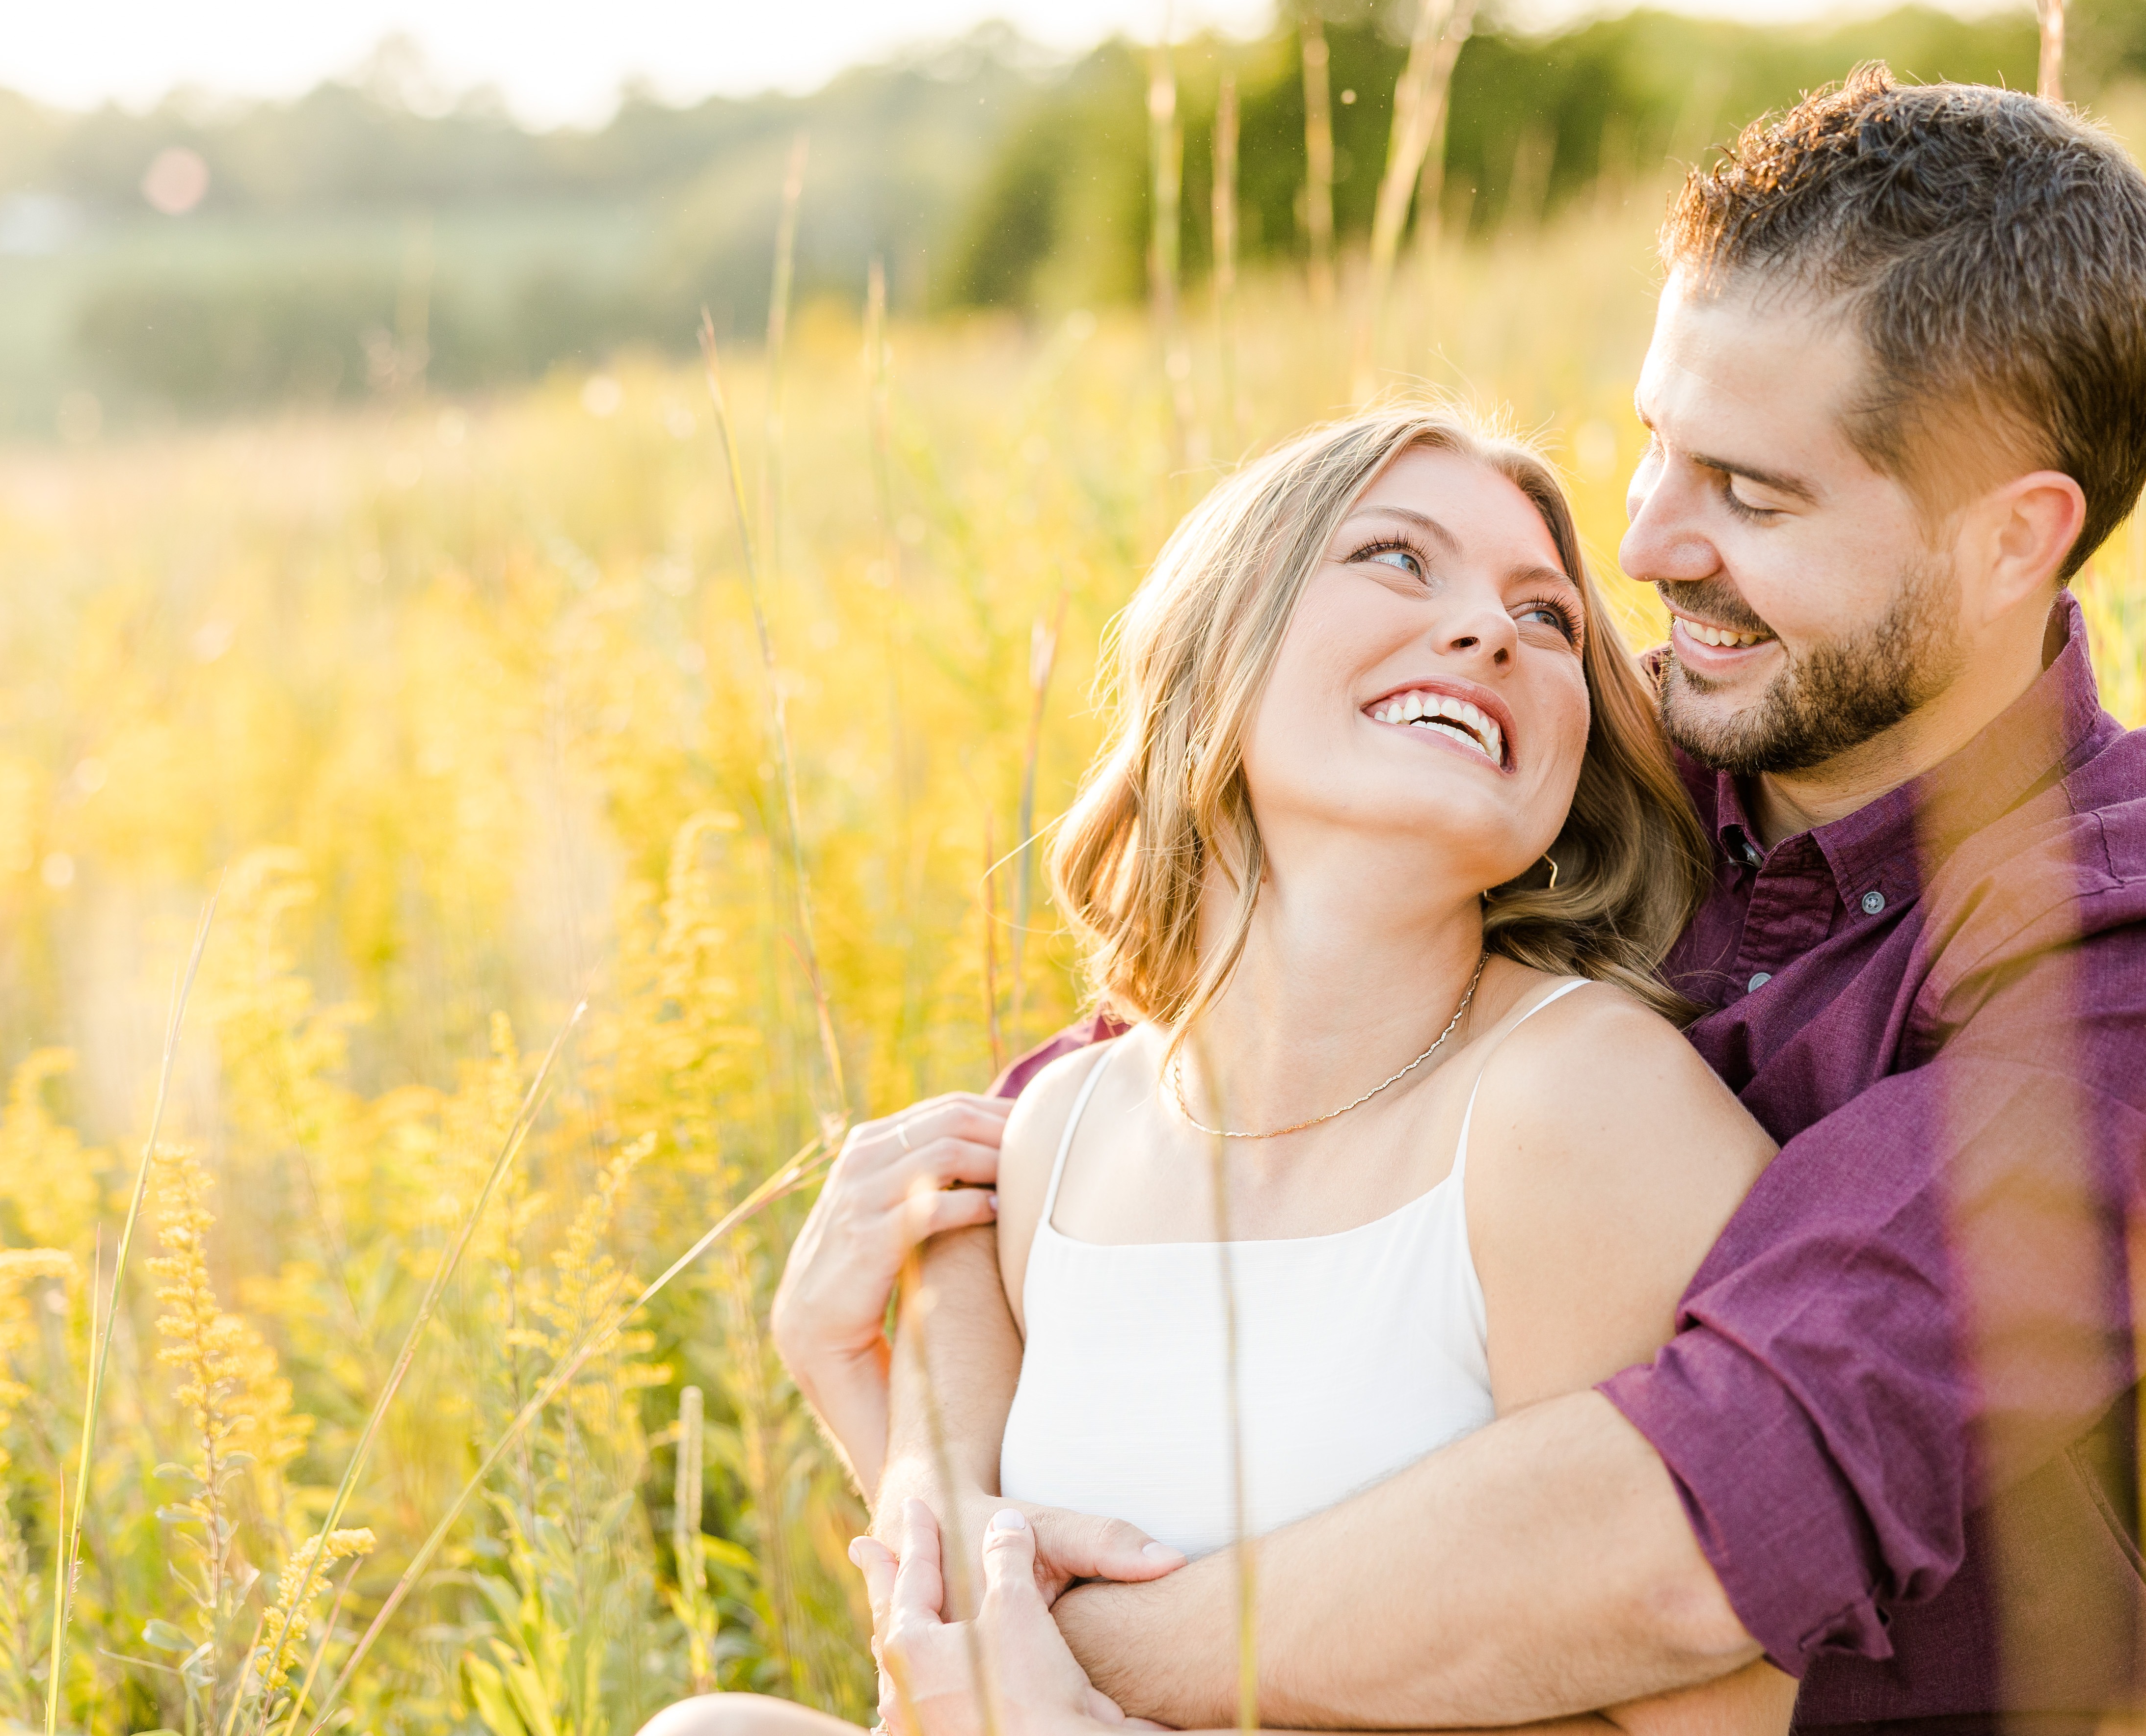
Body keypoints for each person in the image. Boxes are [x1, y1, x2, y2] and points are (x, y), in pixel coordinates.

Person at [787, 64, 2146, 1736]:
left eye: (1752, 492)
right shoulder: (1573, 749)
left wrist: (1040, 1662)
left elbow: (1699, 1524)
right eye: (1658, 445)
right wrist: (944, 1491)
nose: (1648, 545)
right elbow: (1139, 1102)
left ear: (2009, 541)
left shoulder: (2139, 963)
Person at [650, 404, 1806, 1736]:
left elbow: (1724, 1710)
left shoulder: (1577, 1102)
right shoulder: (1062, 1135)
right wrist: (861, 1397)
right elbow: (974, 1661)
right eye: (1396, 558)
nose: (1492, 631)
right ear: (1217, 650)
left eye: (1547, 618)